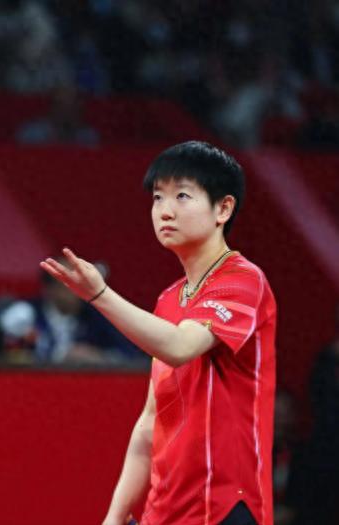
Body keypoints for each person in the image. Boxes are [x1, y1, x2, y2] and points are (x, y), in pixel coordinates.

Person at [41, 141, 276, 525]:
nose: (164, 210)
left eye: (182, 196)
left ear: (223, 208)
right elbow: (150, 423)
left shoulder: (243, 281)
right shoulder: (168, 300)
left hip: (223, 507)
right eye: (157, 197)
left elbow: (180, 346)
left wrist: (99, 295)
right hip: (164, 511)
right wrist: (114, 516)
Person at [0, 259, 140, 364]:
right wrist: (60, 355)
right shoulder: (25, 313)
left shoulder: (96, 315)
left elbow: (132, 356)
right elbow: (3, 354)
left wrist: (99, 357)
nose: (77, 293)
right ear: (49, 289)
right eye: (67, 286)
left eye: (80, 286)